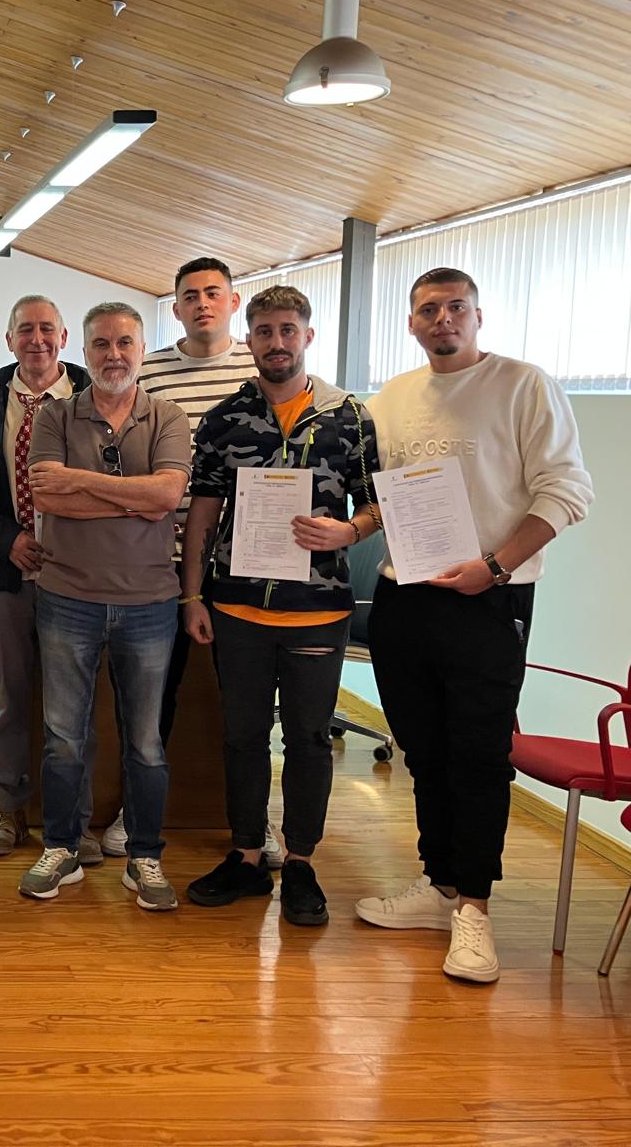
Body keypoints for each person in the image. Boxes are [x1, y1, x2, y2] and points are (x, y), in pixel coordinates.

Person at [358, 267, 592, 983]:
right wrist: (348, 530)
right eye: (428, 309)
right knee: (423, 752)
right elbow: (380, 497)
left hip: (489, 597)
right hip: (404, 596)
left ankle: (476, 911)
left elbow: (568, 492)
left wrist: (494, 566)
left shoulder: (524, 386)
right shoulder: (390, 399)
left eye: (456, 307)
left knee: (479, 756)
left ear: (478, 316)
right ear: (411, 323)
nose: (442, 320)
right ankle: (438, 886)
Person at [178, 285, 380, 925]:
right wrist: (191, 595)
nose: (275, 342)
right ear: (251, 339)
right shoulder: (224, 418)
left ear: (307, 336)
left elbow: (379, 502)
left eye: (287, 330)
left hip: (318, 611)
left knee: (309, 741)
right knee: (240, 737)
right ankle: (244, 855)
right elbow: (202, 515)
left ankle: (299, 862)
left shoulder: (348, 416)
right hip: (236, 608)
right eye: (263, 331)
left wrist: (350, 531)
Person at [103, 256, 272, 863]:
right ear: (174, 308)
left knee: (249, 701)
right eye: (190, 295)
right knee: (154, 696)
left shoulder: (265, 369)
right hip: (161, 560)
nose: (202, 303)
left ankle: (257, 823)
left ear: (232, 303)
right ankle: (133, 810)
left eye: (213, 293)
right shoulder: (147, 373)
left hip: (247, 562)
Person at [20, 302, 189, 909]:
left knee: (145, 742)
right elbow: (47, 495)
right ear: (82, 351)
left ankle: (143, 856)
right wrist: (134, 501)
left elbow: (169, 494)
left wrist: (86, 484)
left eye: (124, 342)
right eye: (100, 344)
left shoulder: (167, 416)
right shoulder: (56, 415)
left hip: (150, 603)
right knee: (63, 737)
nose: (113, 354)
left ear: (142, 349)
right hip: (67, 598)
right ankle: (62, 848)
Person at [0, 296, 99, 862]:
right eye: (24, 330)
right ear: (8, 340)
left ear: (63, 339)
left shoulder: (96, 399)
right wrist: (7, 539)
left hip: (78, 574)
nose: (36, 339)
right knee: (9, 694)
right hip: (3, 572)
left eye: (46, 330)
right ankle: (9, 808)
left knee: (74, 702)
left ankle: (72, 823)